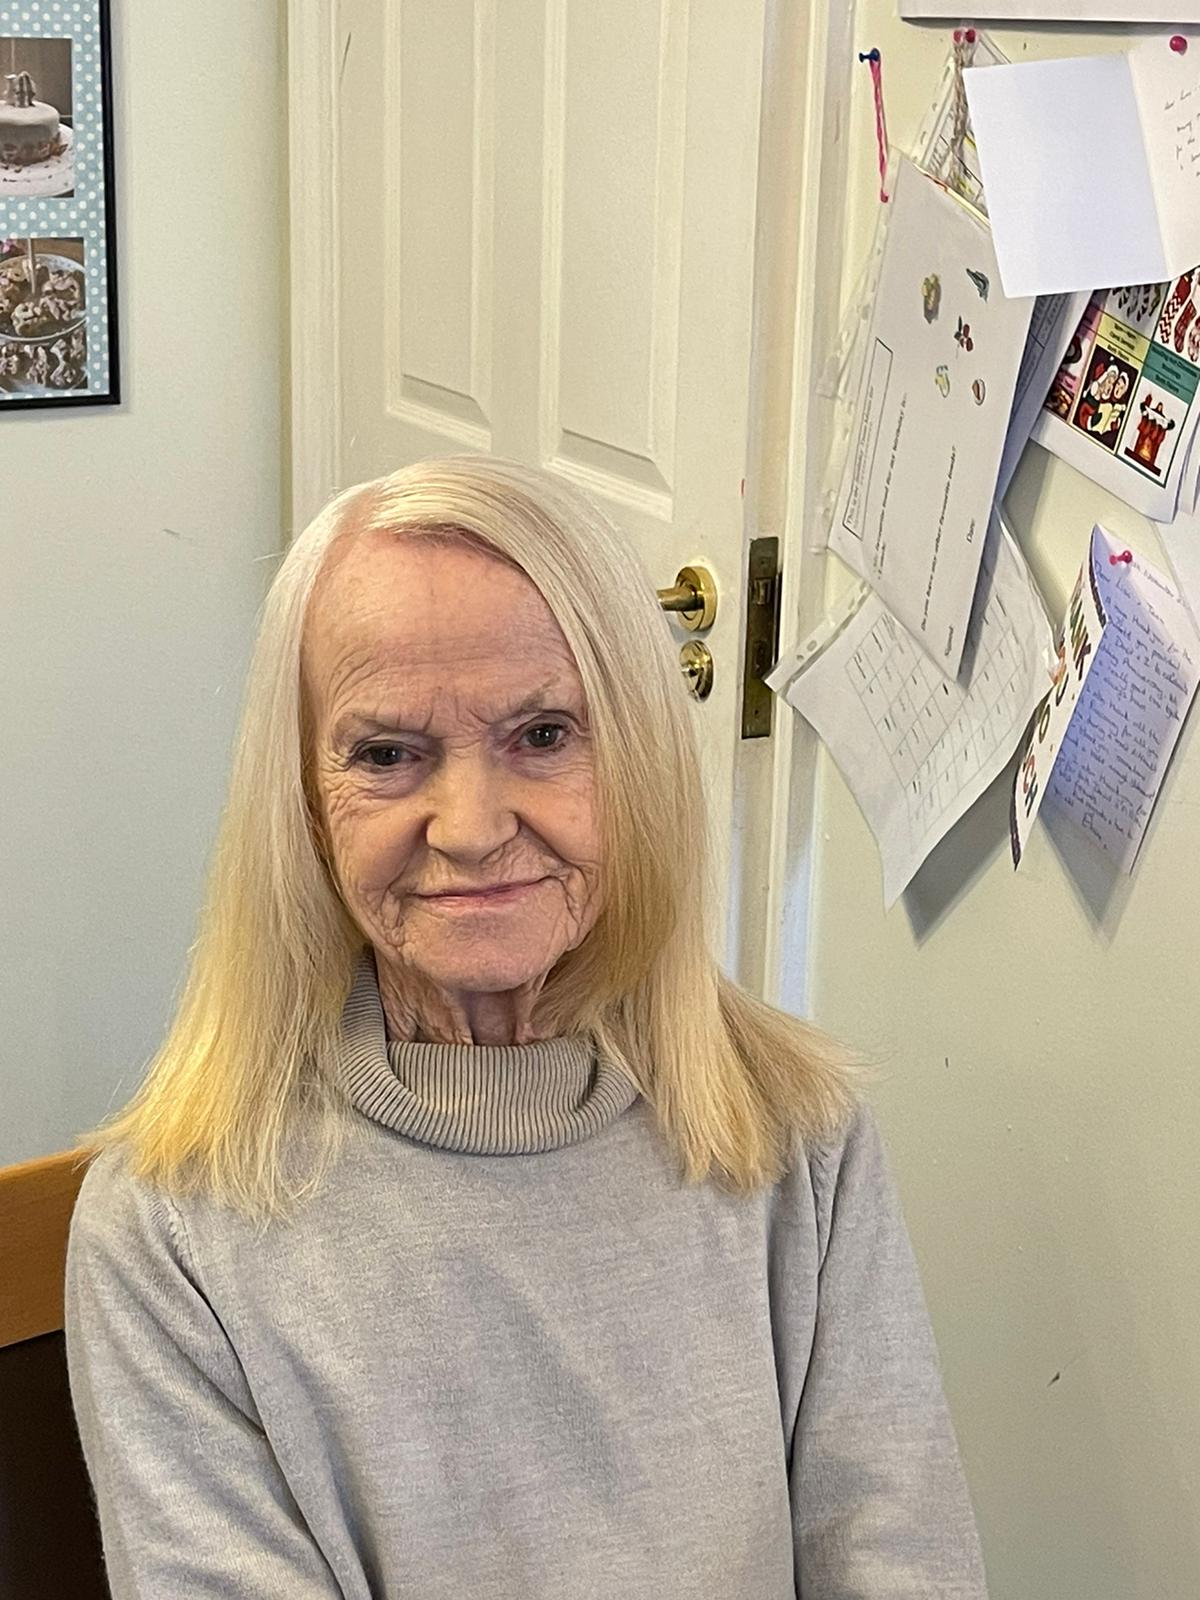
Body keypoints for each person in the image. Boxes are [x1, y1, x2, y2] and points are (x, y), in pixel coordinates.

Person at [65, 457, 989, 1598]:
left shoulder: (796, 1135)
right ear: (301, 802)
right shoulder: (170, 1232)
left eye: (545, 734)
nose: (470, 827)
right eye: (387, 754)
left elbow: (902, 1561)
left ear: (640, 758)